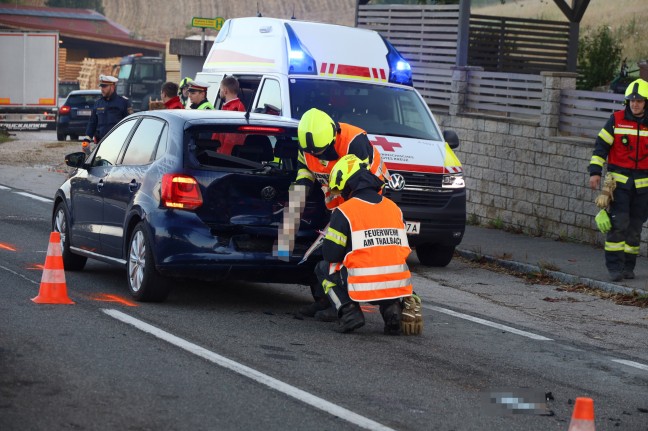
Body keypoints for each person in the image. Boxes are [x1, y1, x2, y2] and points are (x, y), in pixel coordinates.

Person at [294, 108, 389, 320]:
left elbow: (360, 183)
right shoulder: (306, 145)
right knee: (326, 255)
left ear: (333, 134)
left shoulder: (354, 141)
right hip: (339, 208)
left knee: (348, 257)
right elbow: (304, 172)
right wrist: (296, 202)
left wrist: (347, 215)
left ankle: (346, 305)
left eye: (322, 151)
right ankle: (324, 301)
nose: (318, 156)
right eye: (313, 152)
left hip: (367, 206)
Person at [315, 154, 418, 334]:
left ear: (348, 186)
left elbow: (331, 255)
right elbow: (400, 250)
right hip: (396, 284)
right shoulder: (393, 208)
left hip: (361, 284)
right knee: (383, 264)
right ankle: (392, 310)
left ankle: (349, 312)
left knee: (323, 268)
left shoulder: (345, 211)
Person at [588, 78, 648, 281]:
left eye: (639, 100)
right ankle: (614, 268)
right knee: (619, 225)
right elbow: (600, 146)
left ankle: (628, 267)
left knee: (634, 229)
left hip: (643, 189)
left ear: (646, 102)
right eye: (631, 100)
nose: (635, 104)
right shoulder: (616, 119)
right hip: (619, 186)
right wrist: (595, 172)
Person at [83, 74, 132, 153]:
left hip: (118, 146)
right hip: (100, 144)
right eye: (101, 86)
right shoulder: (98, 103)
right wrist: (87, 140)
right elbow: (92, 123)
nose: (102, 89)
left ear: (112, 86)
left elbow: (130, 123)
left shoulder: (123, 102)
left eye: (104, 86)